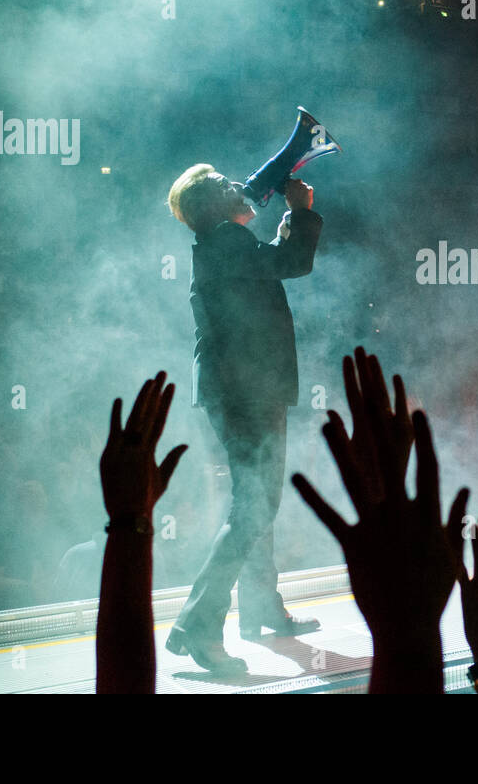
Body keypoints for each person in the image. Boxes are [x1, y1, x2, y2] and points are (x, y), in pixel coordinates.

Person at [163, 164, 323, 673]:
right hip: (246, 391)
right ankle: (200, 626)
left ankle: (259, 607)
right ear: (216, 207)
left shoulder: (223, 244)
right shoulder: (227, 242)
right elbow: (294, 262)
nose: (243, 188)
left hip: (239, 389)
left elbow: (272, 262)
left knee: (256, 500)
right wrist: (301, 212)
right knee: (255, 505)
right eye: (230, 186)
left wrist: (285, 225)